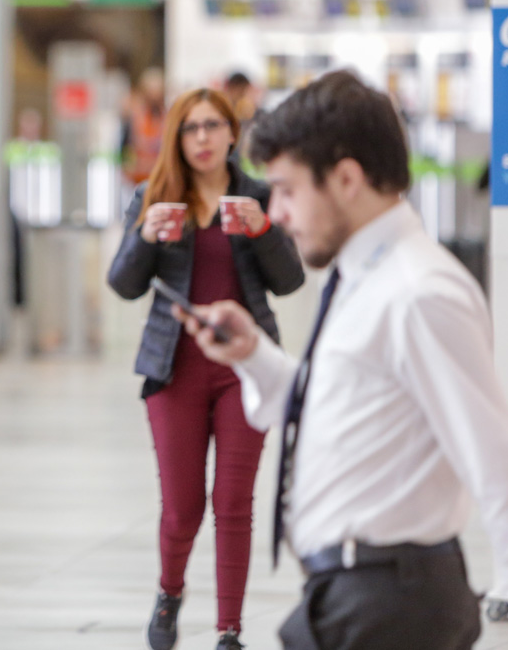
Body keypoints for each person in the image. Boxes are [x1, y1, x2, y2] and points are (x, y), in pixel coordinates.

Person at [177, 70, 508, 650]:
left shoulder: (418, 293)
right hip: (352, 598)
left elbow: (498, 463)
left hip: (390, 603)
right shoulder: (363, 277)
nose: (278, 212)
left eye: (287, 190)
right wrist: (255, 356)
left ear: (346, 178)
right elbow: (341, 407)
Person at [107, 89, 305, 650]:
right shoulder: (154, 196)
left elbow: (290, 280)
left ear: (232, 133)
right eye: (191, 128)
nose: (202, 138)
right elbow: (123, 284)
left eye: (213, 125)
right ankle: (169, 591)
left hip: (246, 368)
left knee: (234, 503)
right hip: (174, 370)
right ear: (177, 137)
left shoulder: (258, 196)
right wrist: (145, 237)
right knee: (183, 507)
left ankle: (229, 630)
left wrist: (263, 231)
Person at [123, 67, 167, 185]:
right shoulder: (134, 118)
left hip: (161, 178)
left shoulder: (167, 118)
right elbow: (126, 146)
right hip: (137, 180)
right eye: (151, 94)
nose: (154, 98)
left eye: (157, 94)